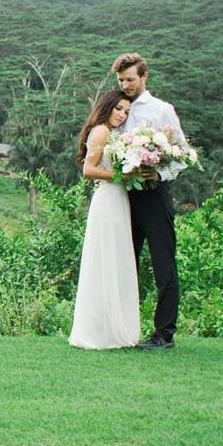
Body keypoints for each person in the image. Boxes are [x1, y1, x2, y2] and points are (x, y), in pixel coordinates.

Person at [113, 52, 186, 351]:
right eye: (121, 80)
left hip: (154, 196)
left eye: (130, 79)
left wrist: (160, 173)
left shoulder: (162, 110)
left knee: (163, 265)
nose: (126, 85)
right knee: (122, 265)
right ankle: (121, 330)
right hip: (123, 196)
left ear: (144, 76)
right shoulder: (116, 108)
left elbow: (181, 154)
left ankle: (164, 334)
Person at [68, 89, 140, 350]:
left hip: (118, 199)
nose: (122, 115)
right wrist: (121, 178)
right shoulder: (100, 131)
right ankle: (99, 332)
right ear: (107, 106)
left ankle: (113, 328)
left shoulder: (116, 135)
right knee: (105, 259)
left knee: (117, 260)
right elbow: (88, 169)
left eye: (126, 111)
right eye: (118, 108)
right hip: (107, 200)